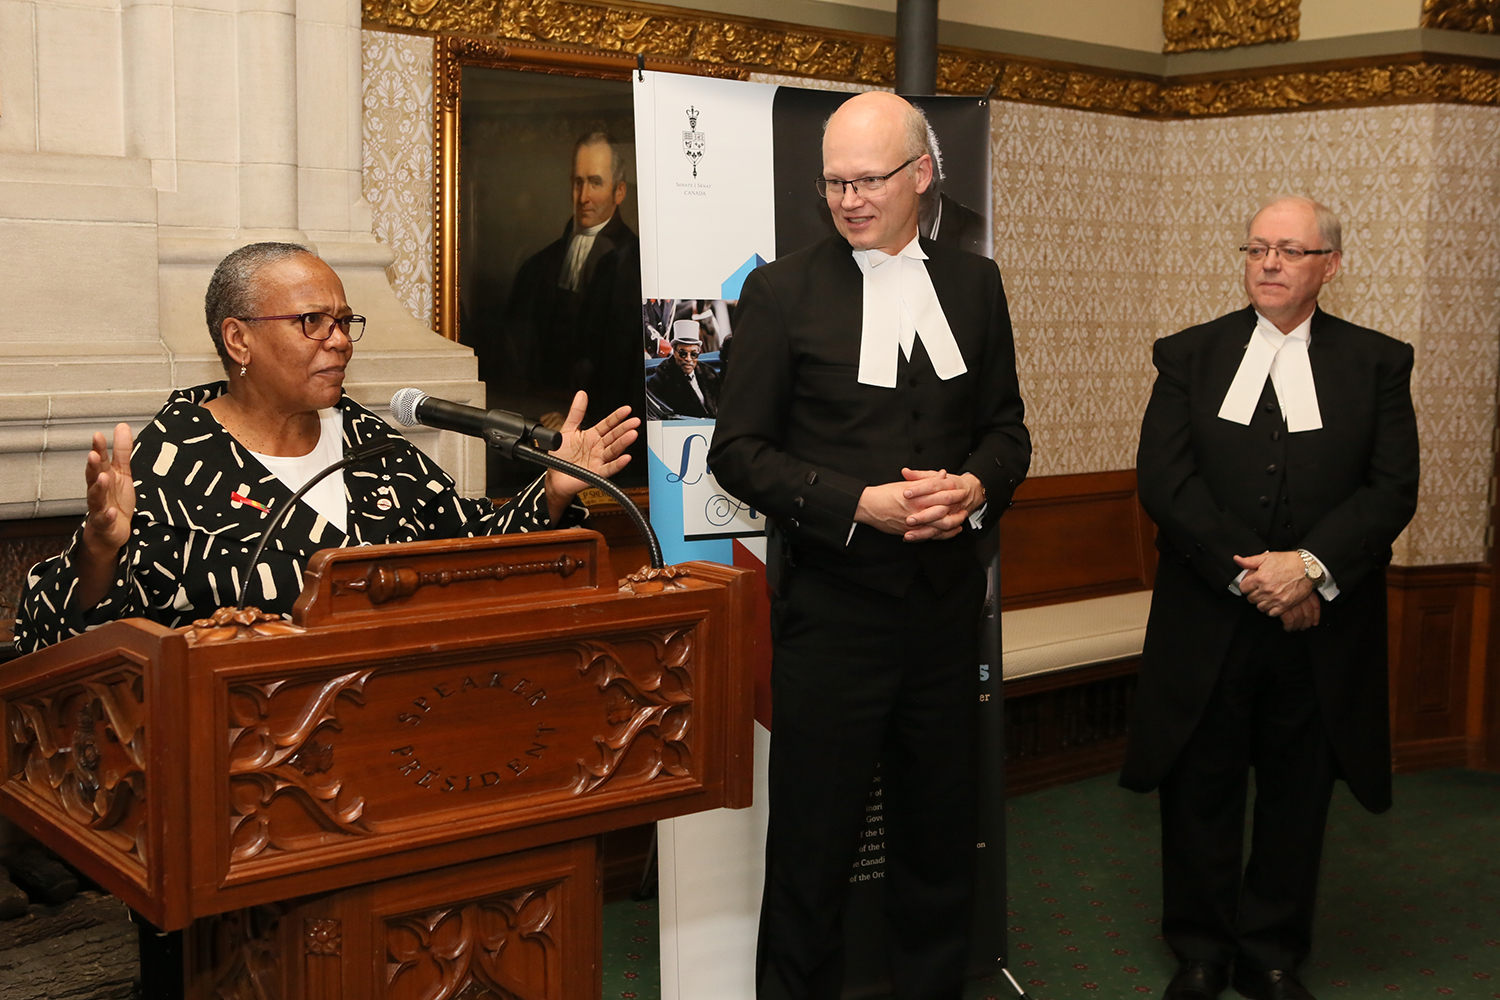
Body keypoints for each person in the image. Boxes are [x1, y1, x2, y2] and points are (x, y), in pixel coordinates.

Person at [708, 91, 1030, 1000]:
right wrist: (859, 504)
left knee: (937, 837)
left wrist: (975, 488)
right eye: (834, 183)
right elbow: (738, 453)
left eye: (868, 180)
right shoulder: (779, 291)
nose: (848, 199)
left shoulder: (976, 286)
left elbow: (1007, 434)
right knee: (813, 847)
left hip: (941, 616)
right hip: (834, 616)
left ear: (922, 176)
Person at [14, 242, 638, 653]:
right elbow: (62, 636)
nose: (338, 341)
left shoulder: (367, 440)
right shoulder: (176, 455)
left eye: (344, 322)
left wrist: (552, 491)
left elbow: (467, 547)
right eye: (313, 322)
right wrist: (100, 547)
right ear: (238, 340)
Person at [1122, 197, 1419, 1000]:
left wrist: (1311, 567)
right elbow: (1166, 482)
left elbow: (1391, 490)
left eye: (1290, 250)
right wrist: (1256, 575)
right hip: (1210, 616)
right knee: (1200, 787)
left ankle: (1273, 951)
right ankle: (1199, 950)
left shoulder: (1378, 363)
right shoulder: (1188, 355)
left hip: (1320, 622)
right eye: (1258, 248)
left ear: (1330, 264)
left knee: (1298, 792)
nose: (1271, 263)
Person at [484, 127, 643, 494]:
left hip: (605, 434)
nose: (584, 196)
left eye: (596, 183)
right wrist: (541, 412)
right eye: (578, 182)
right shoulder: (538, 266)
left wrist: (583, 416)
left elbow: (629, 367)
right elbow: (516, 358)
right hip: (539, 425)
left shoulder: (640, 266)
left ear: (619, 191)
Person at [645, 320, 721, 418]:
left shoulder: (709, 373)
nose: (688, 359)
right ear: (675, 353)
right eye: (683, 353)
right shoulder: (659, 381)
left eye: (693, 354)